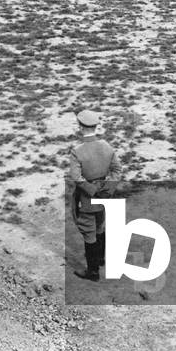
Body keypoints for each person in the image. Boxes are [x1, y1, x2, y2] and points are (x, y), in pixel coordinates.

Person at [68, 110, 121, 282]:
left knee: (88, 232)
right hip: (105, 196)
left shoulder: (77, 151)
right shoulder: (107, 146)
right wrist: (108, 189)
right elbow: (117, 170)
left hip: (87, 199)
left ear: (80, 127)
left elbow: (76, 177)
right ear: (96, 126)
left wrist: (91, 190)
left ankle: (93, 272)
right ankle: (100, 258)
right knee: (100, 226)